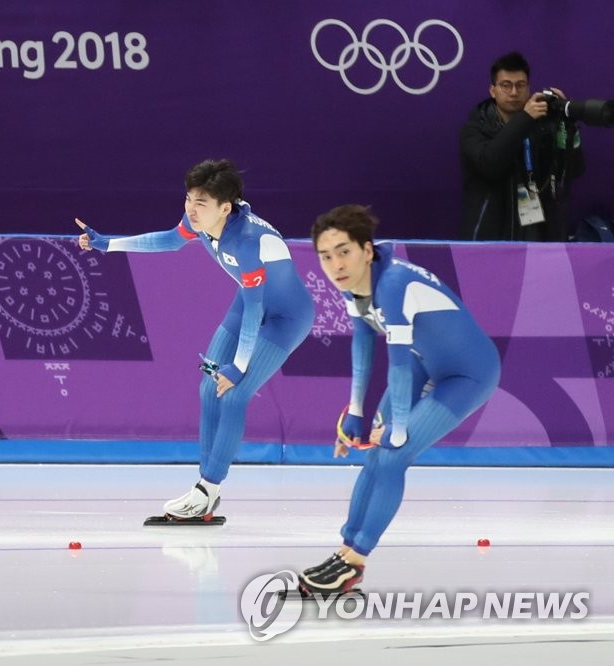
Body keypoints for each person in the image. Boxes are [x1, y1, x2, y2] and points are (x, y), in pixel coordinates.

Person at [77, 159, 314, 521]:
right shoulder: (200, 219)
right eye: (189, 198)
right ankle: (203, 490)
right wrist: (107, 244)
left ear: (225, 207)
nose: (191, 209)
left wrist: (239, 366)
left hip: (285, 318)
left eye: (200, 203)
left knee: (233, 393)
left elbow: (256, 311)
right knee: (208, 388)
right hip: (247, 304)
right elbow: (168, 240)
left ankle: (209, 488)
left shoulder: (248, 242)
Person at [301, 204, 500, 595]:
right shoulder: (353, 286)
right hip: (423, 362)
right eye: (325, 256)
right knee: (375, 455)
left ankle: (356, 561)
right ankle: (345, 551)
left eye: (344, 252)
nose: (335, 265)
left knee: (393, 454)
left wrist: (398, 429)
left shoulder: (393, 285)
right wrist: (356, 412)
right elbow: (362, 348)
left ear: (367, 250)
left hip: (468, 375)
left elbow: (396, 363)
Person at [460, 51, 584, 241]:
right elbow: (490, 164)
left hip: (537, 234)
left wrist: (566, 125)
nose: (514, 93)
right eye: (506, 85)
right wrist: (525, 118)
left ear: (528, 89)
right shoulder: (474, 129)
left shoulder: (541, 127)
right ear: (492, 90)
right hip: (490, 237)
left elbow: (573, 170)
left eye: (520, 85)